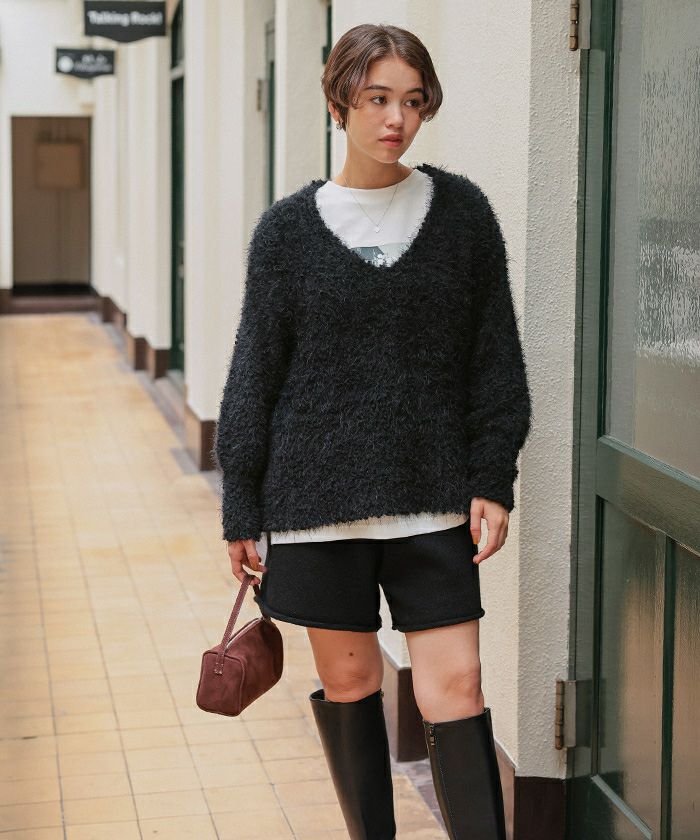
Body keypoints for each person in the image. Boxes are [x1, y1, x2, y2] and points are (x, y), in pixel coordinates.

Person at [213, 22, 532, 840]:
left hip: (433, 502)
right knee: (352, 689)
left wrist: (493, 476)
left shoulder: (462, 216)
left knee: (456, 689)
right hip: (318, 508)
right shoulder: (287, 232)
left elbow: (495, 360)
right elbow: (255, 374)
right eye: (377, 98)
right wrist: (241, 505)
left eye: (413, 101)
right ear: (338, 103)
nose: (396, 119)